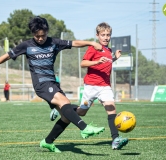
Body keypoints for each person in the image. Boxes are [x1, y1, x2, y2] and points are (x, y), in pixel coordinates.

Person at [0, 16, 105, 153]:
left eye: (43, 35)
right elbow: (7, 56)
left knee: (66, 116)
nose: (40, 38)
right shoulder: (26, 46)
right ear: (33, 33)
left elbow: (74, 43)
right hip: (41, 84)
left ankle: (48, 141)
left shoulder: (54, 42)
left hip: (53, 83)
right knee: (65, 102)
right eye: (37, 36)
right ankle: (84, 128)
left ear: (47, 32)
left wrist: (91, 43)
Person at [50, 22, 128, 150]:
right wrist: (97, 61)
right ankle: (61, 109)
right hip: (91, 86)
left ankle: (115, 139)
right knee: (81, 112)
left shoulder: (109, 50)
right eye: (103, 35)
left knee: (111, 108)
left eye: (108, 35)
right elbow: (83, 63)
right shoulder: (93, 48)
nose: (106, 37)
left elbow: (106, 63)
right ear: (97, 35)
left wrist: (114, 59)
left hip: (105, 86)